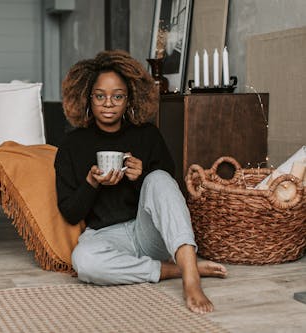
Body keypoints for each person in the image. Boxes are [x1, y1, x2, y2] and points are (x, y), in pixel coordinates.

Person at [54, 50, 227, 314]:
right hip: (105, 236)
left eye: (117, 96)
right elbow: (69, 212)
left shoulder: (147, 135)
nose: (108, 103)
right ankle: (172, 270)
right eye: (100, 96)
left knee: (158, 178)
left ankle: (191, 277)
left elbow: (169, 193)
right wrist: (91, 183)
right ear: (88, 99)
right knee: (84, 262)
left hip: (148, 233)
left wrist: (141, 177)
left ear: (129, 98)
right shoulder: (71, 145)